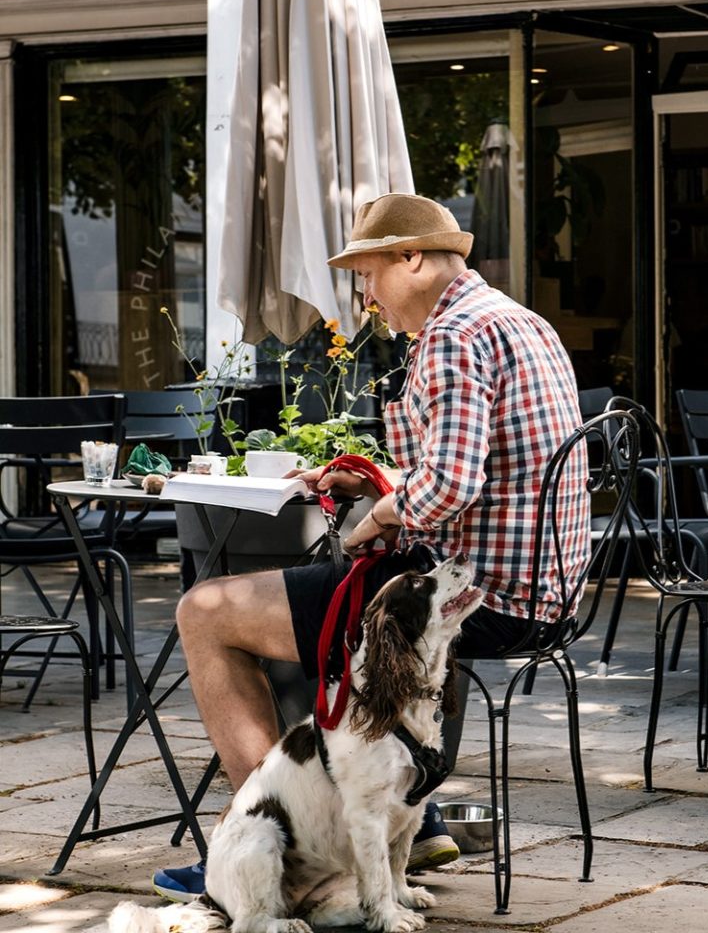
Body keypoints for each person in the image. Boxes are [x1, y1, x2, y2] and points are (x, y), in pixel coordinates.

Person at [153, 192, 589, 903]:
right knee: (315, 610)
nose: (365, 295)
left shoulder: (452, 336)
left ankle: (262, 842)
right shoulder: (519, 320)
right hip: (547, 589)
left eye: (368, 273)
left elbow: (449, 485)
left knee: (208, 611)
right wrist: (379, 482)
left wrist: (381, 510)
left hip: (475, 595)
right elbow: (480, 469)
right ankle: (416, 815)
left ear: (411, 258)